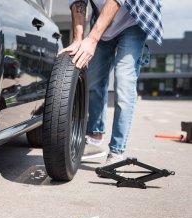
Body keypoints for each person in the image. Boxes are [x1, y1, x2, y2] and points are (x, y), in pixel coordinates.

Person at [59, 0, 163, 164]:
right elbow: (78, 2)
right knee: (93, 81)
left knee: (124, 83)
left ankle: (116, 151)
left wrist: (92, 39)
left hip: (133, 22)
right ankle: (94, 136)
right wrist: (78, 39)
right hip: (103, 24)